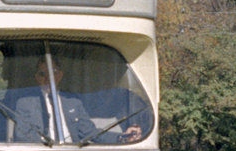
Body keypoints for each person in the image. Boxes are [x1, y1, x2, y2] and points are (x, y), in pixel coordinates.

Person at [14, 61, 142, 145]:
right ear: (36, 77)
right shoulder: (25, 103)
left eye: (53, 72)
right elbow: (22, 135)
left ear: (60, 75)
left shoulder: (73, 102)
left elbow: (90, 133)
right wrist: (49, 146)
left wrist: (122, 137)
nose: (48, 78)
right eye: (42, 74)